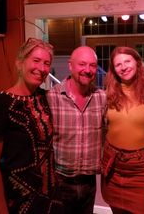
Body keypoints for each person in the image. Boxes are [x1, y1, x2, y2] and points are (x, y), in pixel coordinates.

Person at [0, 38, 62, 213]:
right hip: (15, 201)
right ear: (20, 63)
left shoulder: (44, 97)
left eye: (46, 63)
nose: (41, 68)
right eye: (36, 60)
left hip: (47, 199)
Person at [101, 46, 144, 214]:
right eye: (118, 64)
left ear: (137, 62)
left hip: (140, 167)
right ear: (113, 70)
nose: (123, 67)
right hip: (112, 163)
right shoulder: (108, 92)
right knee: (116, 210)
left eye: (127, 61)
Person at [46, 46, 107, 214]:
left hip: (89, 182)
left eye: (93, 65)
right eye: (82, 64)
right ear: (70, 65)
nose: (87, 70)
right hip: (60, 182)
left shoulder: (101, 98)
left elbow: (115, 130)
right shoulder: (52, 97)